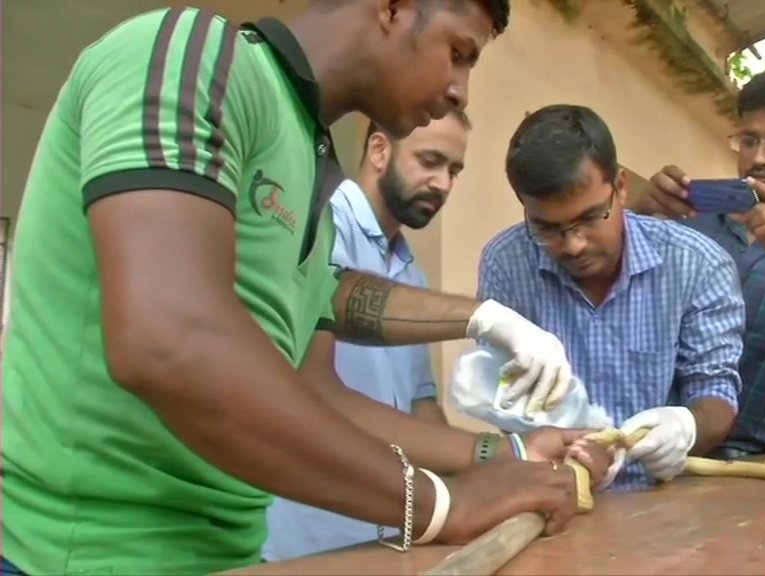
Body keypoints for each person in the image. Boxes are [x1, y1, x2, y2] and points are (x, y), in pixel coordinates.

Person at [0, 3, 589, 575]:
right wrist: (440, 505)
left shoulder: (312, 183)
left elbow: (315, 391)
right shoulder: (193, 54)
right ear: (392, 9)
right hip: (73, 553)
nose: (460, 89)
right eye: (458, 53)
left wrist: (501, 453)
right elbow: (169, 343)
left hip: (226, 556)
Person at [477, 104, 746, 490]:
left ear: (620, 187)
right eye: (546, 228)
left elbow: (717, 393)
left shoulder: (697, 264)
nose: (572, 245)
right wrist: (561, 453)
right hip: (553, 497)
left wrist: (687, 427)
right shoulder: (506, 264)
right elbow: (504, 394)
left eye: (589, 218)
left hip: (666, 503)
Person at [264, 110, 466, 560]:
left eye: (454, 170)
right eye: (430, 161)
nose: (443, 184)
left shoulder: (411, 273)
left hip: (385, 533)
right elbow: (308, 389)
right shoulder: (321, 226)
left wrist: (476, 485)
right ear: (379, 150)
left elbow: (421, 405)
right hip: (307, 537)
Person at [632, 65, 765, 459]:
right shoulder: (693, 216)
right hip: (647, 447)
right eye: (748, 140)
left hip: (753, 468)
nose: (758, 157)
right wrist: (637, 214)